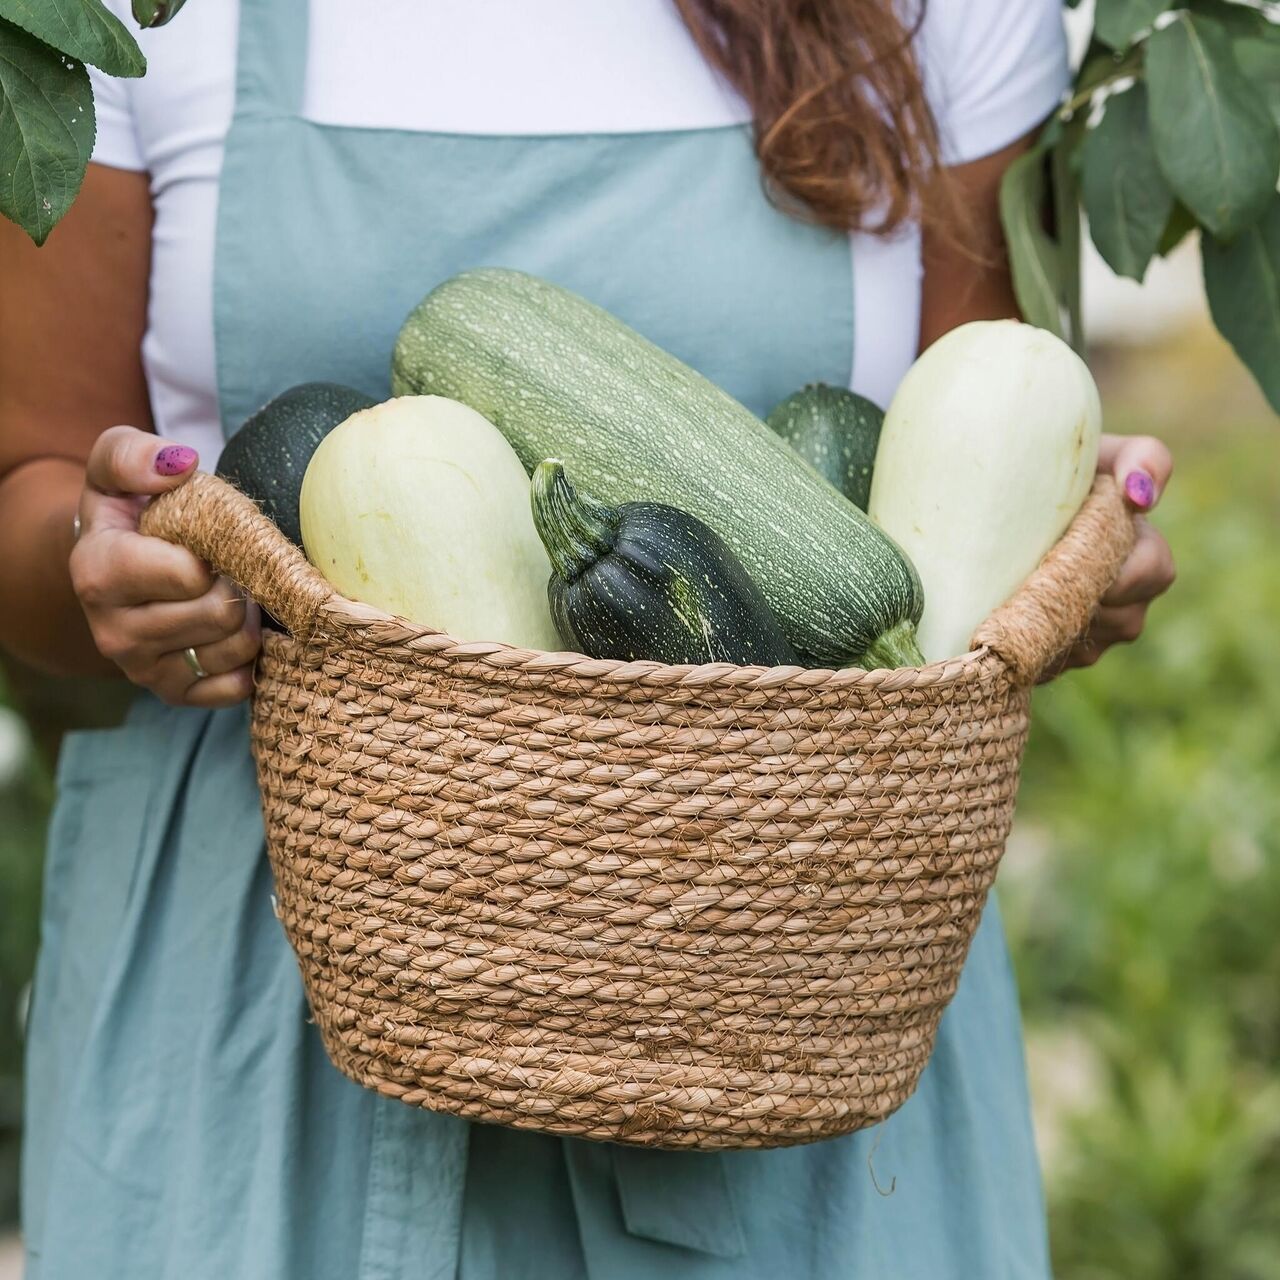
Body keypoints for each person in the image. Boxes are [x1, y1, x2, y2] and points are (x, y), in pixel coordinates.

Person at [0, 2, 1176, 1276]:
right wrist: (100, 559)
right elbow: (30, 489)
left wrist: (1060, 553)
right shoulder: (128, 11)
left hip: (793, 974)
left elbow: (980, 465)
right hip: (250, 987)